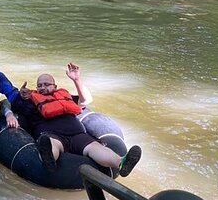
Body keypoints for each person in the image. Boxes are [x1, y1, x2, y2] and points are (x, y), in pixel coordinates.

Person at [10, 63, 142, 176]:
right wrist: (20, 96)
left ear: (55, 87)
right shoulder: (30, 100)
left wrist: (77, 80)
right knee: (50, 143)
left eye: (47, 84)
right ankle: (49, 160)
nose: (43, 87)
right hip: (52, 135)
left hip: (77, 135)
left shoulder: (63, 97)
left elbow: (86, 100)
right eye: (40, 85)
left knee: (95, 147)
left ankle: (121, 163)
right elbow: (12, 105)